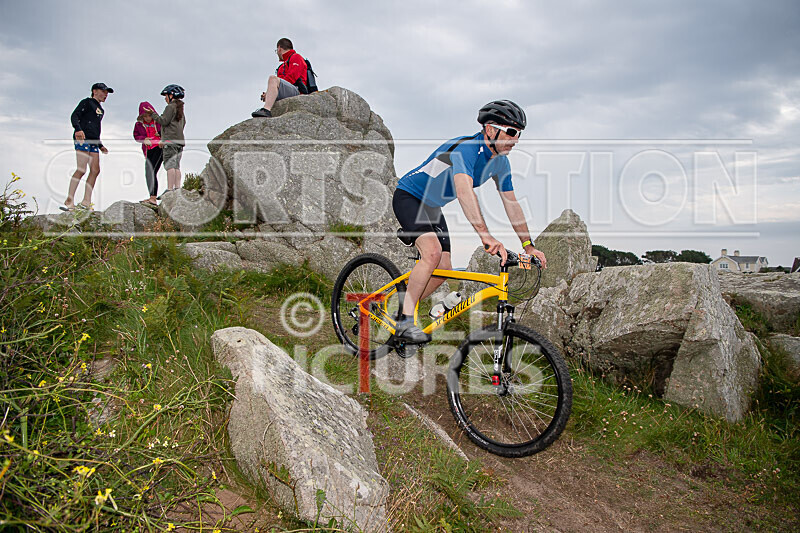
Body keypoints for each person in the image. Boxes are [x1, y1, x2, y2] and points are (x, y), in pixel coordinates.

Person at [392, 100, 548, 343]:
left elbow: (512, 203)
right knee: (431, 254)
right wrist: (485, 235)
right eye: (511, 132)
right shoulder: (467, 149)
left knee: (444, 270)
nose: (516, 139)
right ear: (490, 129)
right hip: (410, 196)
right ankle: (404, 320)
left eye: (519, 134)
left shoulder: (500, 162)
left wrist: (528, 245)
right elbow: (464, 190)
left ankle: (402, 308)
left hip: (432, 207)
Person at [63, 82, 113, 211]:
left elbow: (96, 128)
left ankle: (86, 201)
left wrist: (101, 145)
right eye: (103, 91)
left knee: (95, 170)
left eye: (107, 93)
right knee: (81, 169)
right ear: (95, 91)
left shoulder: (101, 110)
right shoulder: (86, 102)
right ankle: (69, 199)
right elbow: (75, 116)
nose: (106, 94)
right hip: (82, 139)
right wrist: (78, 129)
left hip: (93, 142)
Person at [251, 37, 308, 118]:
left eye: (276, 50)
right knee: (273, 81)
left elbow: (292, 78)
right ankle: (267, 106)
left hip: (298, 91)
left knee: (273, 79)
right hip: (289, 91)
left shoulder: (296, 57)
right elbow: (280, 85)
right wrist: (268, 94)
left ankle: (266, 110)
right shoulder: (282, 67)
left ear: (279, 48)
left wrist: (276, 83)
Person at [149, 85, 186, 191]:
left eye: (166, 95)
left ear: (171, 95)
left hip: (170, 141)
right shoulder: (180, 109)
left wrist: (153, 115)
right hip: (179, 141)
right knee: (176, 166)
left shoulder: (170, 107)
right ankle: (177, 187)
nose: (165, 98)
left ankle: (170, 189)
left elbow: (164, 121)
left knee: (169, 165)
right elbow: (183, 123)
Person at [133, 102, 163, 207]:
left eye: (149, 115)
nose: (147, 118)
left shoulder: (158, 122)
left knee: (152, 171)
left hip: (159, 148)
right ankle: (152, 196)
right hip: (147, 150)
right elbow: (136, 136)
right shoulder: (138, 125)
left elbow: (165, 132)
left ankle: (153, 198)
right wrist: (144, 139)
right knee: (148, 173)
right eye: (144, 116)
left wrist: (161, 139)